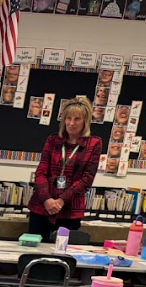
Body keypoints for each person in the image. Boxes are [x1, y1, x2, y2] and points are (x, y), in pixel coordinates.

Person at [27, 96, 103, 240]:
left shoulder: (94, 143)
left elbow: (87, 179)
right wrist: (47, 199)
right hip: (42, 206)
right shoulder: (53, 140)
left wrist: (61, 200)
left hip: (70, 209)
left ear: (85, 121)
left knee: (63, 249)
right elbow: (41, 172)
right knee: (34, 247)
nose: (71, 123)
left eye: (77, 119)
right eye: (68, 118)